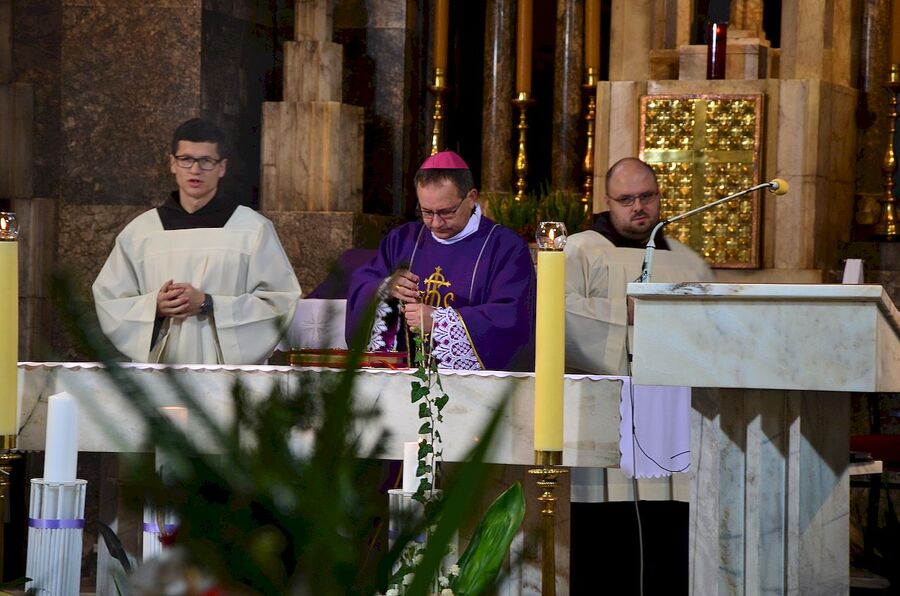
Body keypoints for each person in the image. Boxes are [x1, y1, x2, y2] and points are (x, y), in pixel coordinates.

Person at [92, 118, 301, 364]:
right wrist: (154, 308)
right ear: (173, 163)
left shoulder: (251, 229)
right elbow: (111, 301)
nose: (195, 170)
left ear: (222, 167)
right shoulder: (141, 232)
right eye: (186, 159)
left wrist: (208, 303)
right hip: (161, 373)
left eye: (206, 161)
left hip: (228, 380)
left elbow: (280, 301)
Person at [346, 151, 536, 371]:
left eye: (447, 212)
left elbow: (511, 320)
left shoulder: (505, 247)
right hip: (401, 380)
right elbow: (362, 284)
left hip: (471, 389)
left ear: (471, 197)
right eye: (426, 212)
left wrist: (439, 322)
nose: (435, 223)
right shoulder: (402, 240)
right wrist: (386, 288)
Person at [564, 157, 713, 374]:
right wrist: (623, 311)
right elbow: (557, 312)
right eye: (625, 199)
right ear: (608, 202)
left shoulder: (688, 261)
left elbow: (710, 326)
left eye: (646, 196)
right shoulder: (579, 250)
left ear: (659, 195)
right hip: (603, 393)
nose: (638, 207)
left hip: (680, 387)